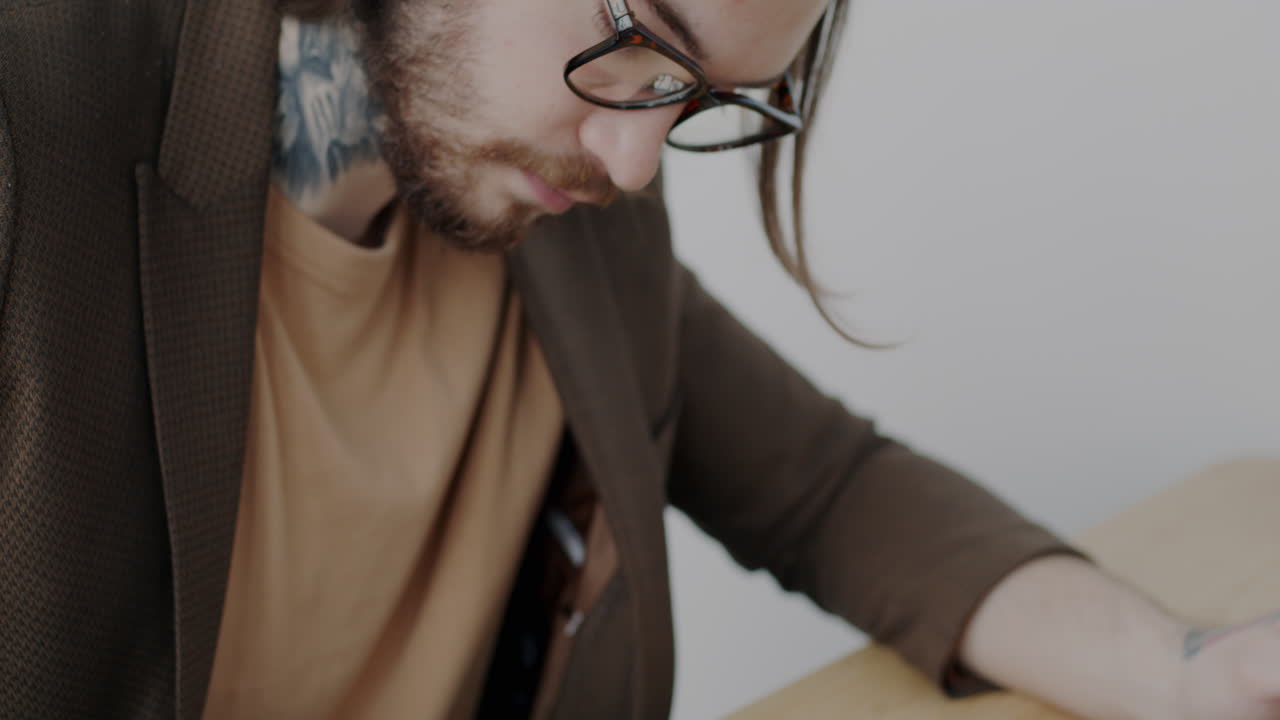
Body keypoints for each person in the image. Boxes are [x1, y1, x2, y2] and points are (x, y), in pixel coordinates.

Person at [0, 1, 1277, 718]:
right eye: (638, 36)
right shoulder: (37, 121)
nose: (630, 164)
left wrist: (1185, 672)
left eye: (701, 100)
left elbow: (824, 489)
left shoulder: (553, 219)